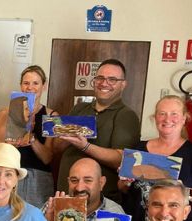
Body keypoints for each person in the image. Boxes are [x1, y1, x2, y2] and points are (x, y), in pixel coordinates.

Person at [120, 95, 192, 221]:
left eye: (174, 114)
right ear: (155, 118)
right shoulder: (139, 149)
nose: (167, 119)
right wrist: (125, 182)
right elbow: (123, 188)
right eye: (162, 114)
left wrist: (181, 191)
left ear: (184, 118)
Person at [55, 59, 141, 202]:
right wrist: (64, 137)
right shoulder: (79, 108)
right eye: (100, 78)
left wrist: (85, 146)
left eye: (112, 79)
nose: (104, 83)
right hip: (66, 194)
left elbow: (122, 159)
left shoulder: (126, 115)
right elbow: (57, 149)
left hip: (99, 201)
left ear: (123, 84)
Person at [0, 66, 57, 209]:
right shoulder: (6, 113)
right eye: (26, 83)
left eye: (35, 83)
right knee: (9, 219)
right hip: (11, 174)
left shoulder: (52, 116)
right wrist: (13, 141)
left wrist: (31, 137)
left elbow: (48, 157)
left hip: (39, 180)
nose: (30, 87)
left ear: (44, 86)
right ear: (21, 85)